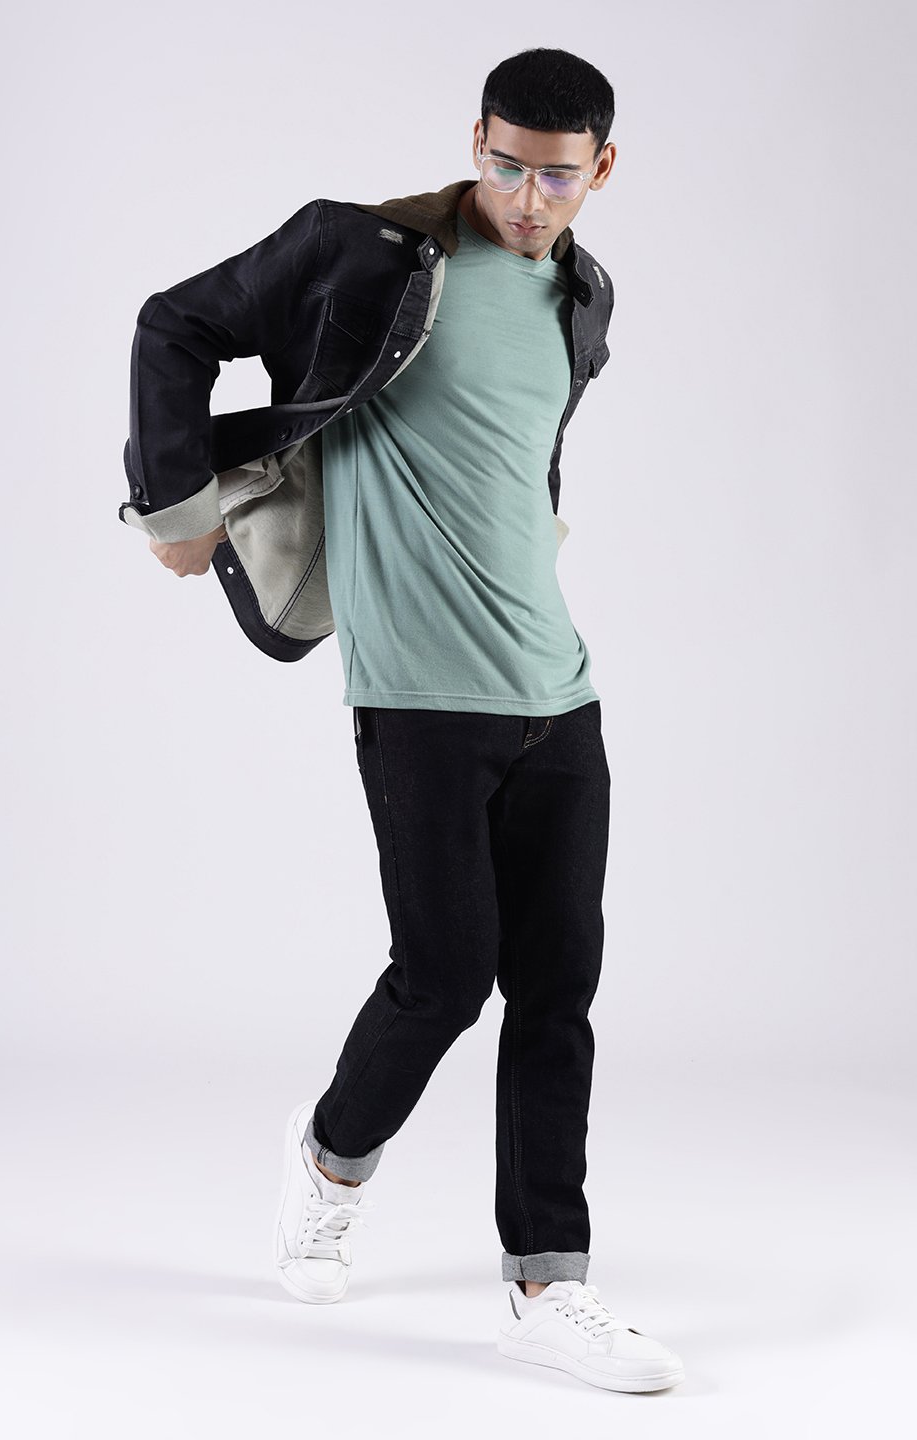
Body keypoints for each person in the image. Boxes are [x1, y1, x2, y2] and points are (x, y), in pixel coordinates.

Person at [121, 46, 685, 1394]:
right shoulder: (361, 253)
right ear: (475, 139)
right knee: (445, 975)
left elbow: (518, 458)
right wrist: (178, 511)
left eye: (558, 177)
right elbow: (172, 324)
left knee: (558, 987)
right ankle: (329, 1163)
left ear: (603, 170)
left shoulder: (584, 296)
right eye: (506, 165)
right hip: (419, 697)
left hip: (561, 692)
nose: (528, 199)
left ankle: (548, 1285)